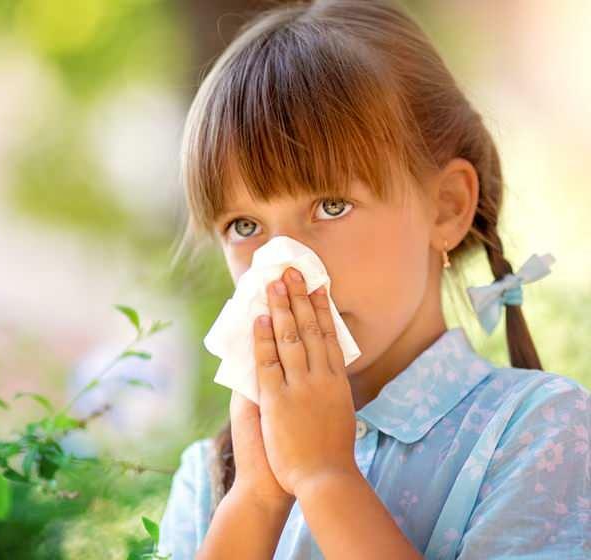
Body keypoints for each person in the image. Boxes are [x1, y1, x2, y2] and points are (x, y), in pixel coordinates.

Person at [158, 1, 591, 558]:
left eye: (331, 206)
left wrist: (324, 478)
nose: (284, 264)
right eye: (245, 225)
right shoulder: (212, 475)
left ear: (446, 207)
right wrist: (258, 501)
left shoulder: (539, 430)